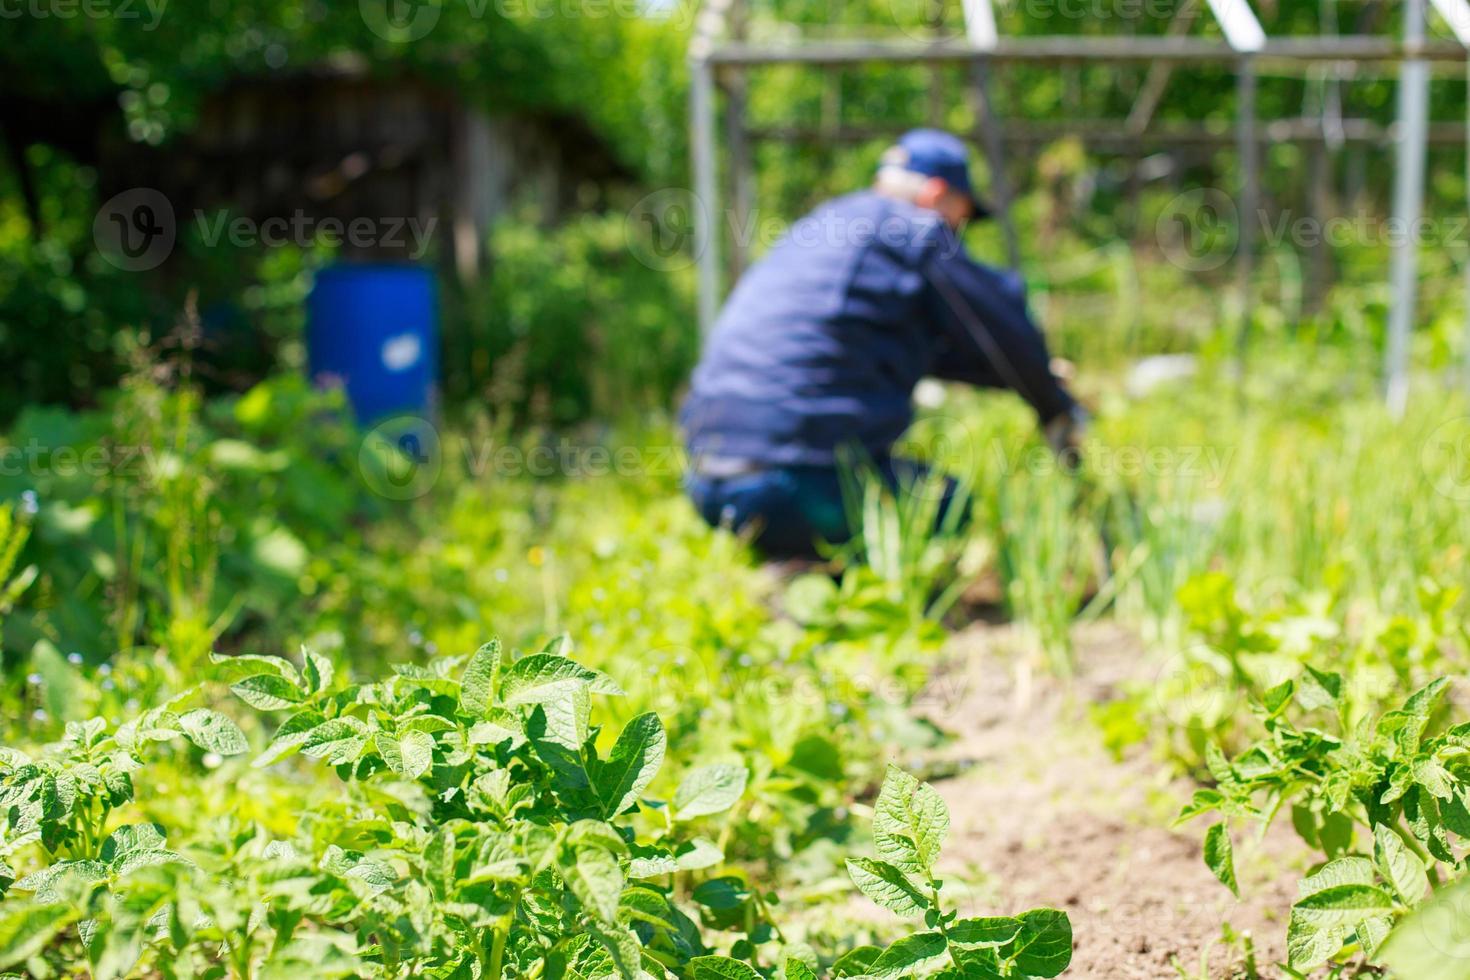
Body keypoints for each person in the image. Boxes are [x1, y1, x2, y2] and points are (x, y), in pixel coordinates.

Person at [680, 128, 1086, 559]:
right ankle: (828, 574)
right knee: (947, 504)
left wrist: (1023, 377)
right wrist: (1054, 405)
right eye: (960, 218)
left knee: (851, 480)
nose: (957, 233)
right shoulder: (913, 230)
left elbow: (916, 350)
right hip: (796, 488)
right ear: (935, 195)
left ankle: (801, 569)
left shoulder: (823, 226)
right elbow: (1002, 327)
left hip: (709, 482)